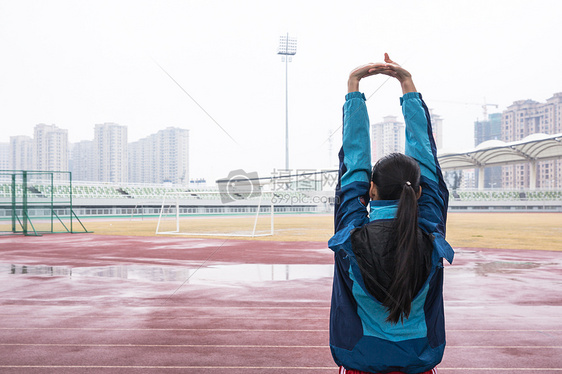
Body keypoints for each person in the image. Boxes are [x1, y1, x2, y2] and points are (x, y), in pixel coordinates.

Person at [329, 54, 454, 374]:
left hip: (360, 360)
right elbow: (426, 156)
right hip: (419, 361)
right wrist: (407, 84)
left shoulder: (351, 232)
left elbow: (354, 163)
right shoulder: (429, 230)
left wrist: (354, 87)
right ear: (421, 192)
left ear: (370, 190)